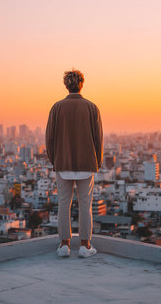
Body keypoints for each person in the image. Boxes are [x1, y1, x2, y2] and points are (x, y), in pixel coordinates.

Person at [46, 69, 103, 258]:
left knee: (64, 203)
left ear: (66, 85)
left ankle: (64, 246)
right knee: (85, 204)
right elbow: (98, 138)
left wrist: (56, 159)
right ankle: (85, 246)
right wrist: (97, 161)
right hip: (87, 164)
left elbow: (50, 138)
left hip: (63, 163)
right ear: (81, 84)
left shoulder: (57, 107)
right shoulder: (91, 107)